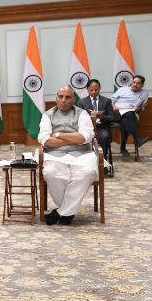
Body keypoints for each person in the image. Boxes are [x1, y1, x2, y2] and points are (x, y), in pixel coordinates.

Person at [39, 86, 98, 226]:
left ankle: (60, 212)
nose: (63, 100)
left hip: (82, 154)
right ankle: (67, 212)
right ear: (56, 98)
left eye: (67, 97)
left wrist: (59, 135)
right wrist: (73, 138)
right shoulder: (47, 115)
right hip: (55, 155)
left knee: (88, 173)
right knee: (51, 173)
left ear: (73, 99)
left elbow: (85, 137)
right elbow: (45, 140)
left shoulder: (82, 114)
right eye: (60, 96)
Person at [76, 79, 119, 161]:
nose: (94, 92)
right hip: (87, 128)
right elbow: (77, 118)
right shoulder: (81, 102)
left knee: (104, 137)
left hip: (102, 128)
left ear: (100, 88)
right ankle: (87, 161)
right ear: (87, 89)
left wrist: (102, 116)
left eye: (96, 89)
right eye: (91, 90)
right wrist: (89, 116)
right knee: (82, 138)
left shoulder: (107, 101)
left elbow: (113, 117)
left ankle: (102, 161)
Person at [111, 75, 149, 156]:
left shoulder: (145, 93)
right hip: (117, 112)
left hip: (130, 113)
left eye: (138, 83)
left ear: (142, 85)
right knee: (129, 116)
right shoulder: (123, 89)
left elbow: (142, 107)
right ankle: (136, 140)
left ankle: (123, 147)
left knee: (125, 121)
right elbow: (112, 100)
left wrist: (139, 108)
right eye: (134, 82)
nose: (135, 84)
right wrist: (114, 107)